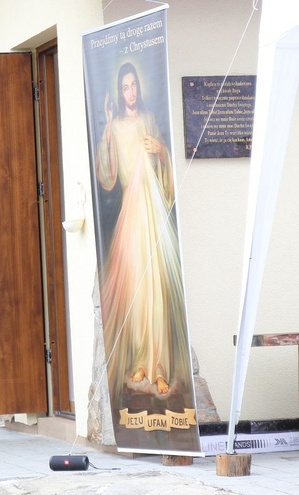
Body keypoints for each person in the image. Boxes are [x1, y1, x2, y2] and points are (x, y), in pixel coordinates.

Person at [95, 62, 189, 402]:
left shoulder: (149, 121)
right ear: (120, 93)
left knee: (158, 287)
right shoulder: (117, 127)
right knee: (136, 286)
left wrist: (160, 151)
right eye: (125, 87)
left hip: (154, 216)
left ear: (139, 89)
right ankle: (139, 362)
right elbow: (107, 176)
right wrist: (107, 124)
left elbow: (166, 165)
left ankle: (159, 366)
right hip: (132, 216)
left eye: (134, 86)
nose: (130, 92)